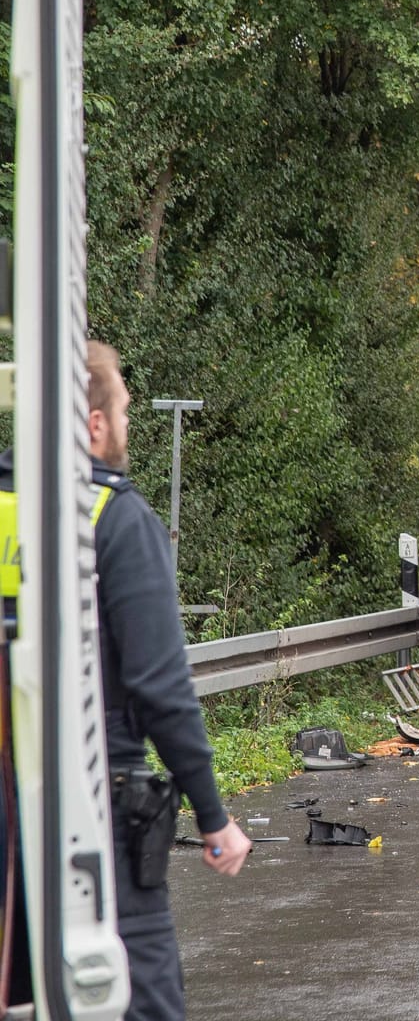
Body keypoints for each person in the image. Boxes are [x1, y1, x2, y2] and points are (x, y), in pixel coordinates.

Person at [0, 342, 250, 1020]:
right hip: (95, 812)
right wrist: (213, 814)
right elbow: (159, 685)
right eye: (126, 411)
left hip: (7, 813)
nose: (129, 426)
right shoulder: (113, 517)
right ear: (94, 426)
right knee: (139, 997)